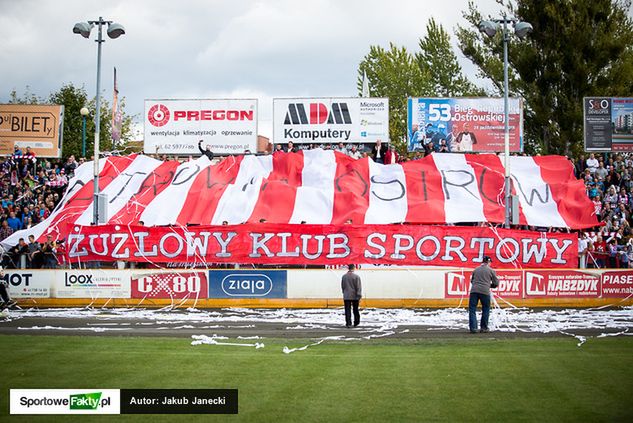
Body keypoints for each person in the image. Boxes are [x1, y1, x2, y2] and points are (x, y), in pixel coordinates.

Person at [468, 256, 498, 333]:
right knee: (485, 309)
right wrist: (489, 285)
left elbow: (472, 281)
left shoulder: (476, 269)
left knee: (472, 309)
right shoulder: (491, 270)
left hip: (474, 291)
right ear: (489, 262)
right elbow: (495, 283)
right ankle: (484, 327)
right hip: (485, 292)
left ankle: (473, 328)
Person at [341, 264, 362, 328]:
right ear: (354, 268)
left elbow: (342, 286)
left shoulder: (344, 276)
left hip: (346, 295)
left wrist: (344, 292)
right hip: (355, 296)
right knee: (355, 309)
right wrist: (359, 295)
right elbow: (358, 287)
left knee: (347, 310)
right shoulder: (356, 276)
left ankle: (348, 323)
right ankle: (356, 322)